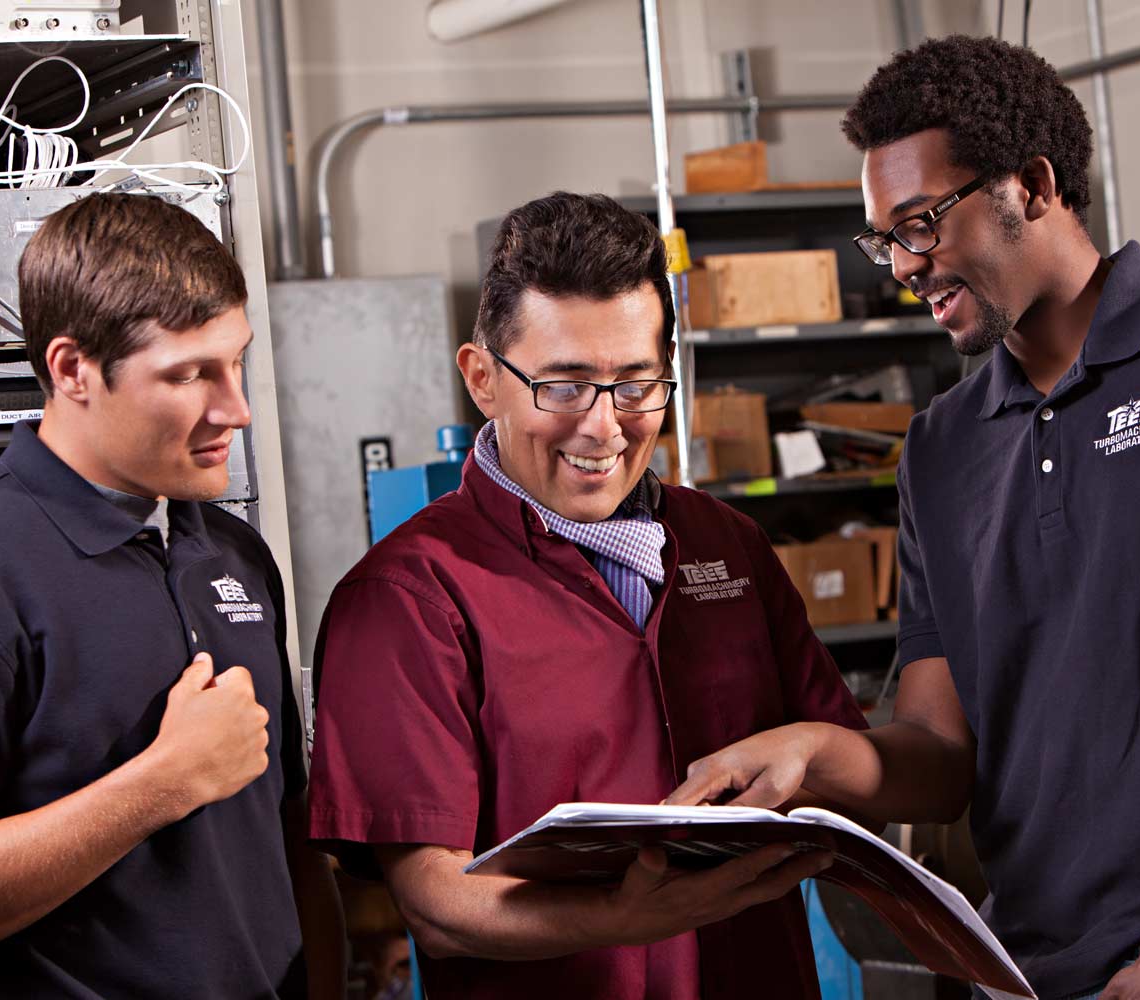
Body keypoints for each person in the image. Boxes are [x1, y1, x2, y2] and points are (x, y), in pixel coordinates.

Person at [667, 34, 1140, 1000]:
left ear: (1031, 185)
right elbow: (942, 759)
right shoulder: (943, 449)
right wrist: (813, 756)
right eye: (883, 238)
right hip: (1028, 974)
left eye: (920, 223)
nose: (902, 266)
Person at [307, 190, 867, 999]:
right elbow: (435, 901)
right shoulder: (409, 597)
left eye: (637, 383)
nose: (605, 426)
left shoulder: (727, 548)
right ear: (482, 379)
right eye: (564, 386)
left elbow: (846, 779)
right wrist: (631, 915)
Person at [0, 192, 344, 998]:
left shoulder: (232, 551)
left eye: (235, 361)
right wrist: (162, 784)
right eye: (188, 375)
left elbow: (288, 843)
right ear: (73, 369)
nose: (237, 409)